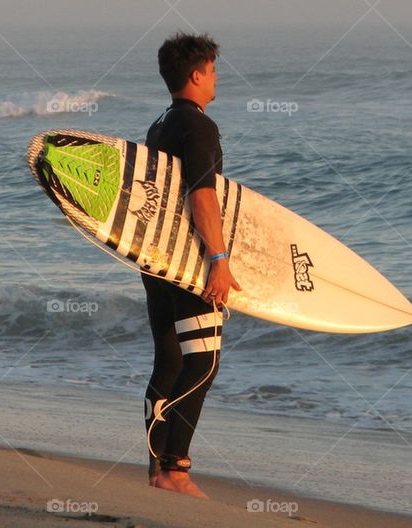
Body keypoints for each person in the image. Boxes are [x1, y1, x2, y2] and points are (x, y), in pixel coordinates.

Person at [142, 31, 242, 498]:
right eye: (214, 70)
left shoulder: (160, 125)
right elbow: (202, 195)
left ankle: (156, 468)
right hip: (188, 260)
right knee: (203, 362)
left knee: (170, 360)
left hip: (156, 259)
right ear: (196, 75)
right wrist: (218, 260)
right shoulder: (200, 127)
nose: (217, 77)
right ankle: (175, 469)